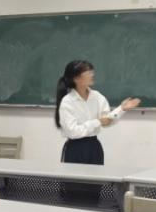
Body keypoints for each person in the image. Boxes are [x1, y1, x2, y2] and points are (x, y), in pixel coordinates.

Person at [54, 60, 140, 201]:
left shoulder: (97, 97)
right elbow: (73, 132)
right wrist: (97, 122)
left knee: (94, 189)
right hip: (75, 149)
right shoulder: (68, 102)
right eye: (88, 71)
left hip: (94, 147)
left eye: (91, 71)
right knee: (75, 191)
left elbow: (107, 121)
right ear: (76, 78)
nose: (92, 74)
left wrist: (121, 109)